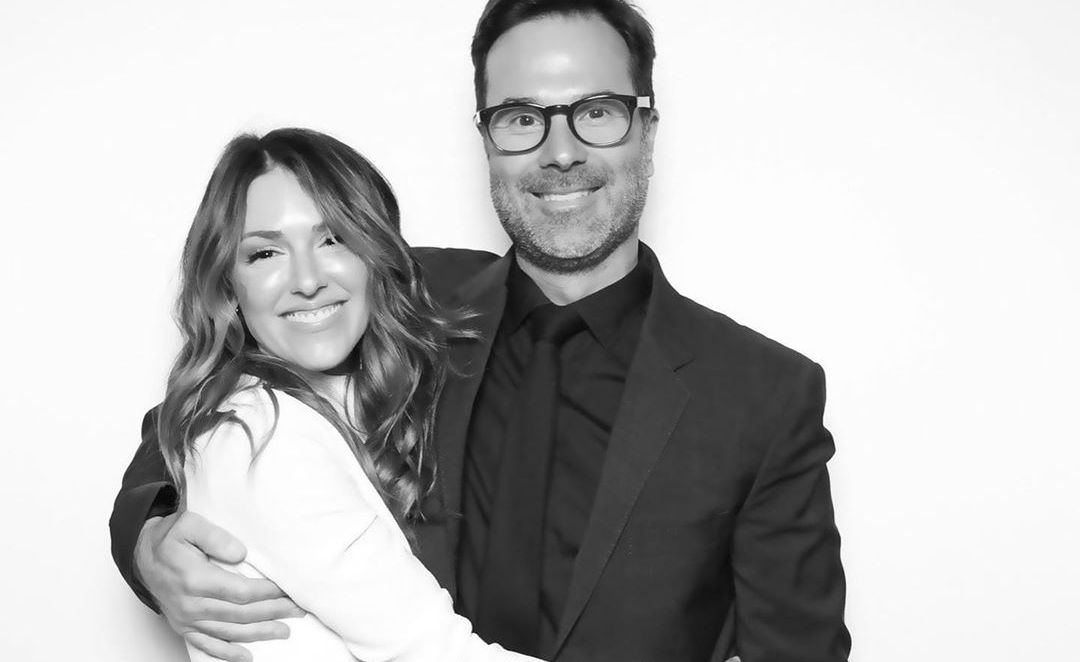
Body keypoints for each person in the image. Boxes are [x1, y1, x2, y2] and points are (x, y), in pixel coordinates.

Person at [111, 1, 852, 661]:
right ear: (487, 137)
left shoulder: (761, 394)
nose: (561, 152)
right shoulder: (392, 297)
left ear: (647, 130)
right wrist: (151, 540)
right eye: (522, 118)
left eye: (597, 111)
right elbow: (209, 408)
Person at [138, 126, 542, 662]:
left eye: (334, 240)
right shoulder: (260, 438)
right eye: (265, 253)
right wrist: (144, 538)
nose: (307, 280)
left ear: (378, 256)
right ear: (226, 284)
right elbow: (433, 653)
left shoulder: (341, 398)